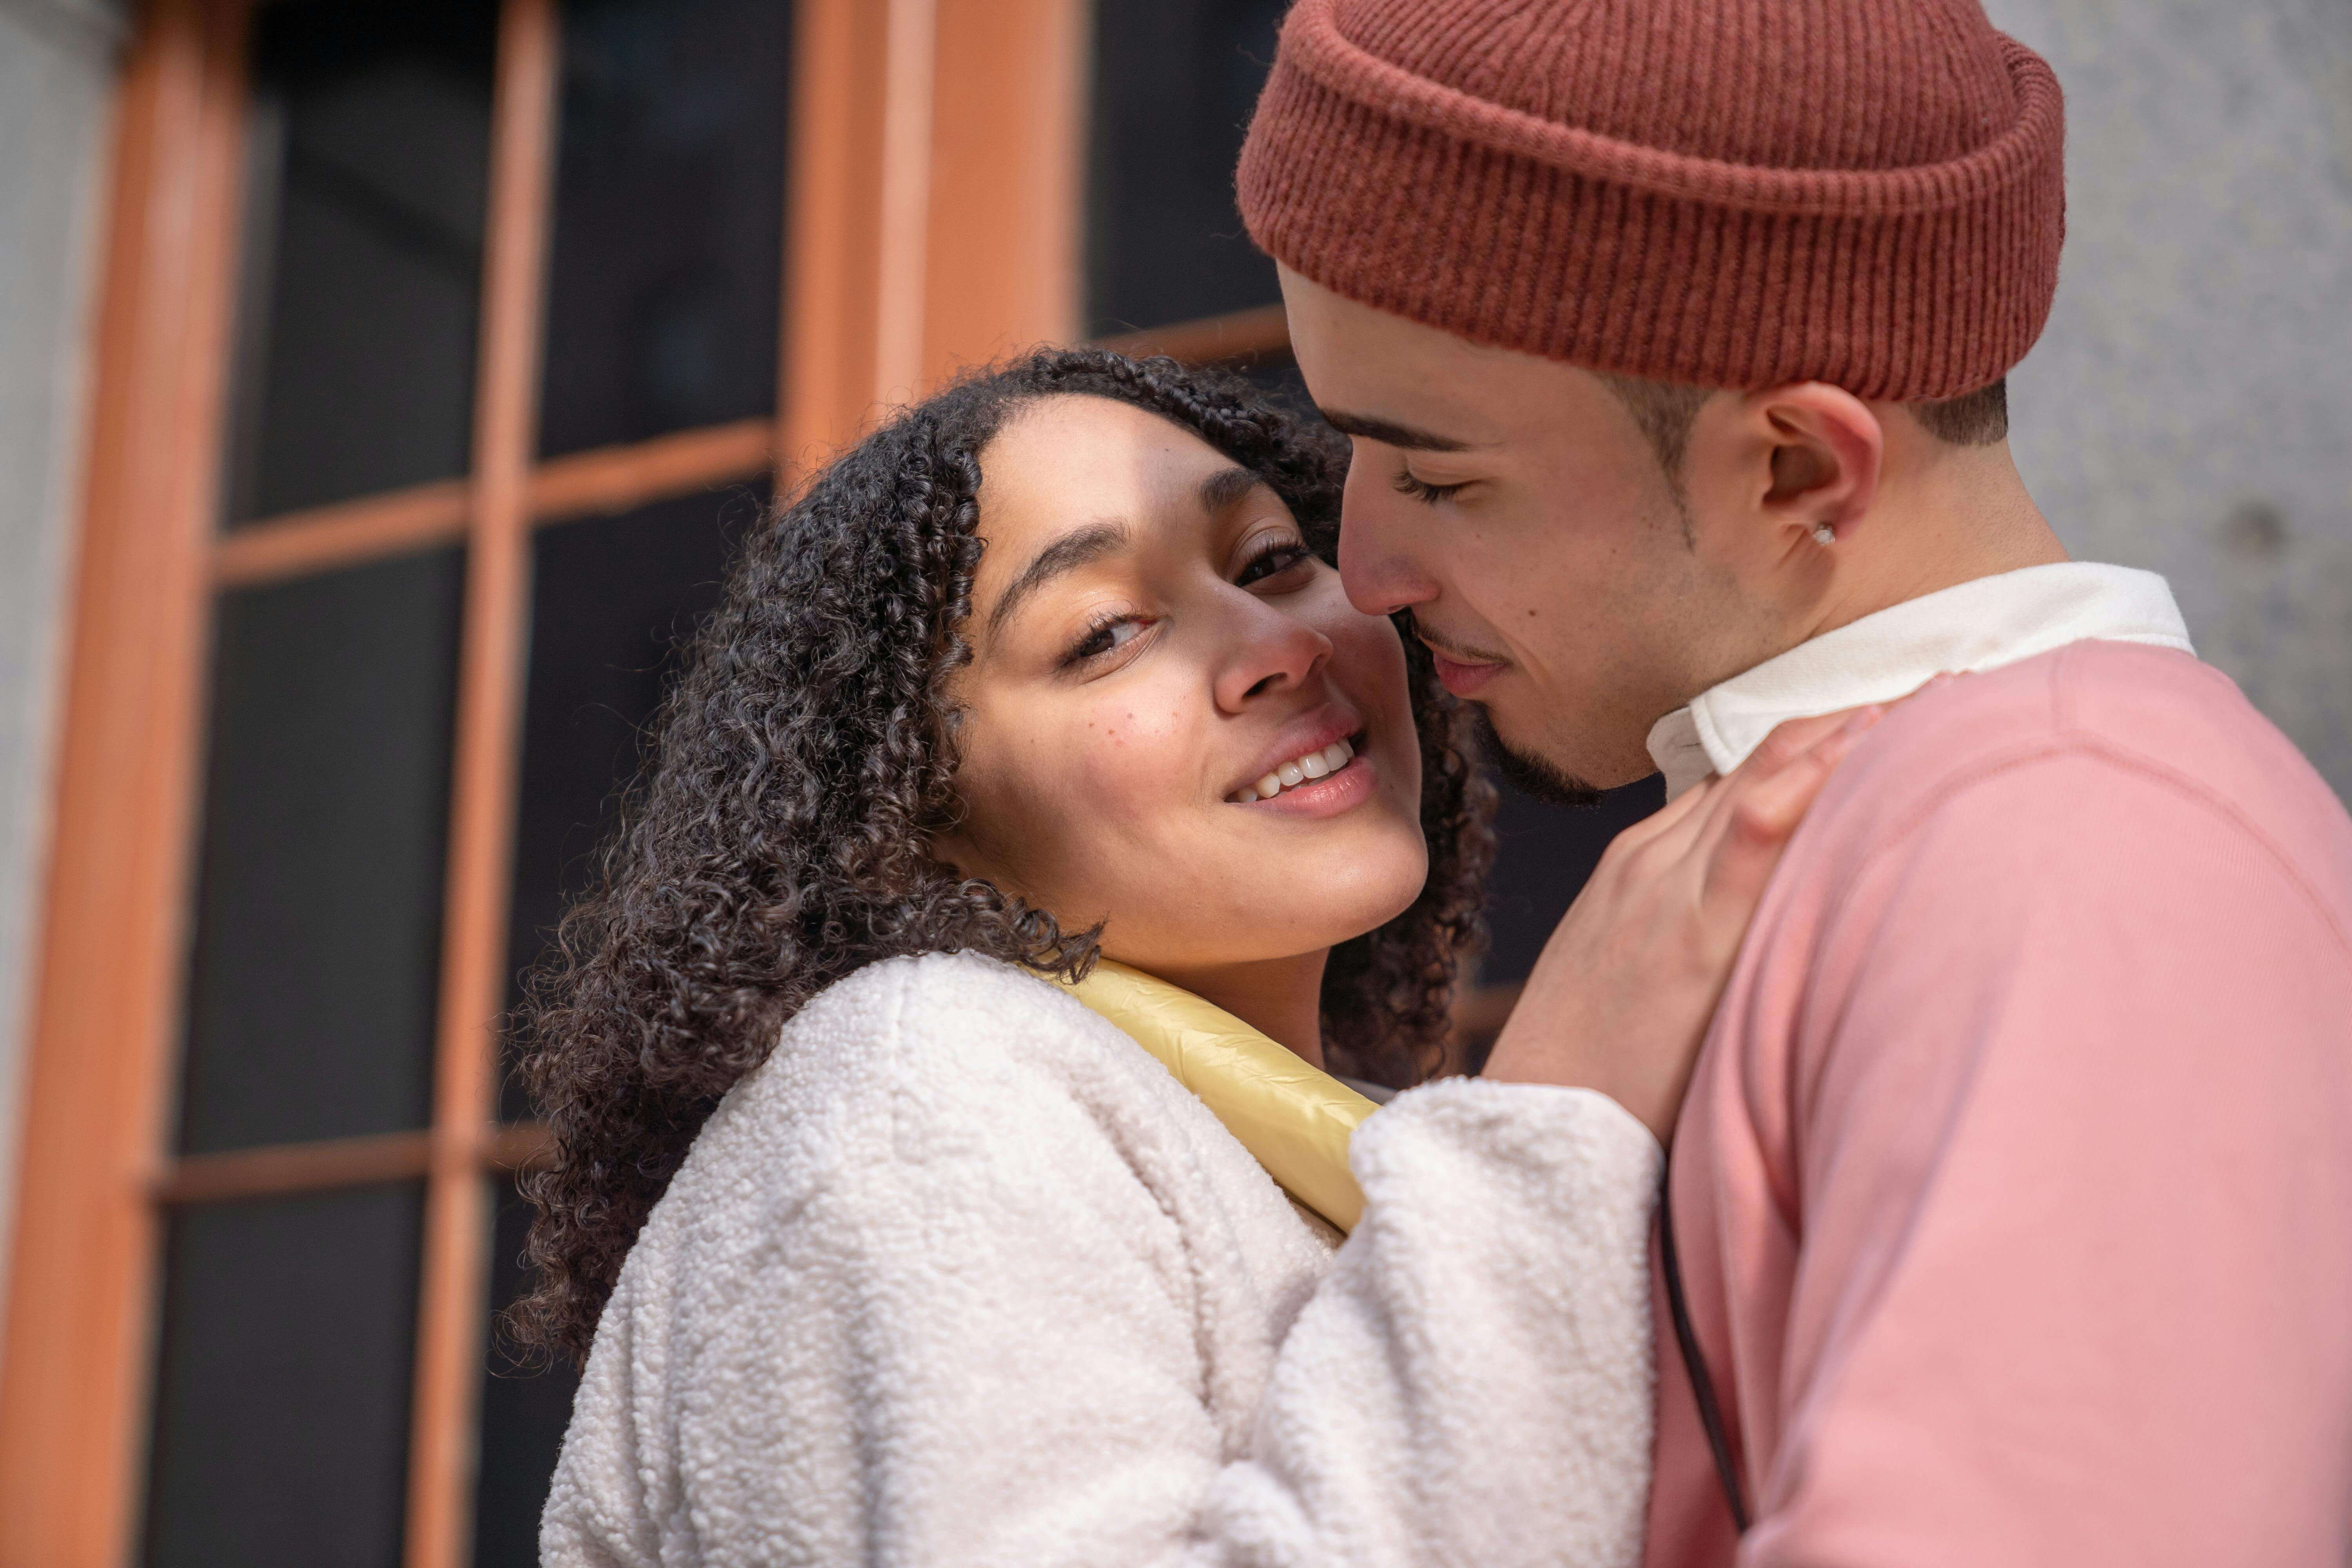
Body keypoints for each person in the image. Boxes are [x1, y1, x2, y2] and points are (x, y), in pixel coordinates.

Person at [1236, 1, 2352, 1564]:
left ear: (1798, 471)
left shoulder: (2080, 860)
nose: (1366, 568)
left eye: (1436, 473)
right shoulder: (1916, 837)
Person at [518, 349, 1871, 1567]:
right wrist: (1556, 1118)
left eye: (1276, 558)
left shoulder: (1306, 1153)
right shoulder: (909, 1093)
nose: (1278, 647)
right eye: (1107, 633)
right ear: (911, 813)